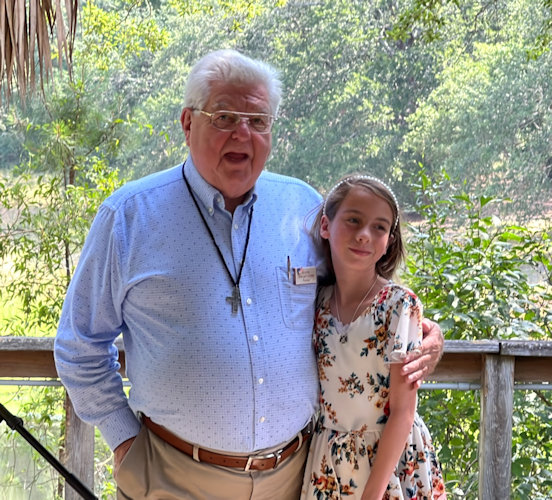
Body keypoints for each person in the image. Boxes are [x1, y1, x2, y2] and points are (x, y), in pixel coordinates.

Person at [54, 49, 443, 500]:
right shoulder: (129, 216)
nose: (243, 133)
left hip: (298, 477)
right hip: (172, 478)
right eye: (224, 117)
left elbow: (358, 295)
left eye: (258, 121)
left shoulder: (302, 208)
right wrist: (124, 440)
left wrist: (426, 335)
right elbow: (79, 345)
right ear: (187, 123)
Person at [300, 175, 446, 499]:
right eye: (353, 220)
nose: (364, 234)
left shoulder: (399, 306)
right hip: (328, 463)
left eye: (379, 227)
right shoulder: (315, 302)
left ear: (389, 241)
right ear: (326, 226)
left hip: (388, 466)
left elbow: (403, 411)